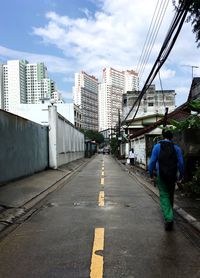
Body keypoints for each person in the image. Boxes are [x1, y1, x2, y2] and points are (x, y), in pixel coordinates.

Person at [148, 129, 184, 231]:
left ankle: (169, 219)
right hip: (173, 176)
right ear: (172, 137)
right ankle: (170, 213)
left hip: (161, 176)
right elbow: (181, 164)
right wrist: (181, 176)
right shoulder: (176, 148)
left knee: (164, 196)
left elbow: (151, 163)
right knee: (170, 194)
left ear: (162, 137)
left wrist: (151, 175)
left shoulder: (157, 147)